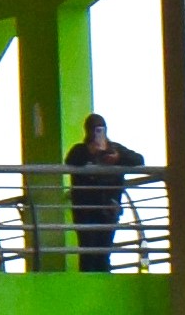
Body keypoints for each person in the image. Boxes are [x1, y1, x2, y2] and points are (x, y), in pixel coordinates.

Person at [61, 112, 143, 273]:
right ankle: (90, 281)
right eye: (95, 130)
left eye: (100, 129)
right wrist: (91, 152)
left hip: (108, 209)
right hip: (86, 210)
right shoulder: (80, 150)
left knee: (104, 253)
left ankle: (102, 279)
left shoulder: (115, 149)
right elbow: (71, 161)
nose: (97, 134)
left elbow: (139, 159)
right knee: (88, 252)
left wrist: (117, 158)